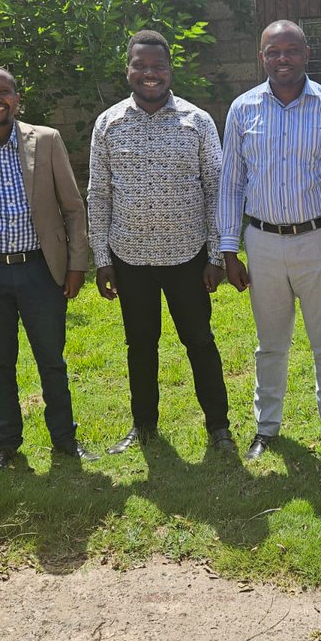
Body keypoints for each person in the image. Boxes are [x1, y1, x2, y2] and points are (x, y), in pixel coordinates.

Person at [218, 20, 321, 461]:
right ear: (261, 57)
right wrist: (229, 249)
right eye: (272, 51)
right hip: (262, 242)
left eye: (291, 50)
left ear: (306, 55)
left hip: (320, 240)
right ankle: (267, 428)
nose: (282, 58)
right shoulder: (242, 110)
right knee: (270, 344)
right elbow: (231, 184)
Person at [0, 65, 93, 473]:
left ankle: (65, 440)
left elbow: (74, 209)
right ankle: (6, 444)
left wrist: (77, 264)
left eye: (3, 91)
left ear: (16, 98)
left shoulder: (46, 141)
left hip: (41, 272)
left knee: (52, 361)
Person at [88, 30, 234, 455]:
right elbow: (99, 194)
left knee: (200, 342)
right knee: (140, 346)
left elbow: (215, 189)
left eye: (158, 66)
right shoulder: (109, 123)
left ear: (170, 70)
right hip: (129, 257)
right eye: (141, 66)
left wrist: (215, 255)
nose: (149, 74)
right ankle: (144, 427)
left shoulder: (197, 121)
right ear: (129, 69)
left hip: (188, 258)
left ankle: (219, 427)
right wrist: (103, 259)